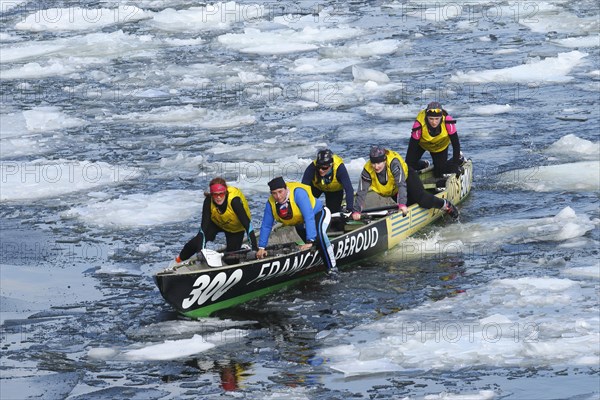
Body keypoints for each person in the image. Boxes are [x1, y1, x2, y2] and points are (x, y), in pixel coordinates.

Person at [351, 146, 459, 221]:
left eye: (379, 163)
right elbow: (361, 192)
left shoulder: (393, 164)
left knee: (422, 200)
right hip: (393, 190)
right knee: (411, 205)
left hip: (407, 178)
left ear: (384, 160)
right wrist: (356, 211)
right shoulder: (367, 170)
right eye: (373, 163)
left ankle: (446, 205)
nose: (376, 166)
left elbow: (401, 184)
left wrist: (401, 204)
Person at [256, 177, 337, 273]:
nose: (278, 196)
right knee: (312, 245)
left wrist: (310, 240)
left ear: (286, 189)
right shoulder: (270, 203)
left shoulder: (298, 193)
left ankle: (332, 268)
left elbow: (309, 217)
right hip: (300, 222)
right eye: (274, 193)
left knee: (318, 236)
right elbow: (266, 225)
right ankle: (316, 256)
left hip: (319, 213)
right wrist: (261, 247)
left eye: (280, 192)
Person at [175, 177, 258, 263]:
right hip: (217, 223)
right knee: (196, 243)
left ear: (225, 193)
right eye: (215, 195)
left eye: (221, 194)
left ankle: (244, 249)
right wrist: (200, 251)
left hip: (235, 229)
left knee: (230, 260)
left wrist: (254, 249)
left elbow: (248, 226)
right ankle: (178, 260)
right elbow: (203, 229)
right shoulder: (208, 201)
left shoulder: (234, 201)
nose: (218, 197)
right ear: (211, 194)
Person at [405, 101, 463, 178]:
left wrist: (455, 166)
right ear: (426, 117)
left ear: (441, 117)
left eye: (437, 119)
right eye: (431, 119)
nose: (434, 122)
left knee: (439, 173)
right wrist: (408, 169)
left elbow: (456, 145)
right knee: (408, 165)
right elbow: (411, 148)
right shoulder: (419, 124)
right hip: (423, 144)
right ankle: (424, 164)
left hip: (440, 146)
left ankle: (459, 159)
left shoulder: (448, 122)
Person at [301, 149, 354, 213]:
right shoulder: (312, 167)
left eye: (324, 168)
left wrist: (350, 209)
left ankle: (340, 208)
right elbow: (303, 189)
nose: (321, 170)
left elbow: (349, 189)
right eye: (319, 167)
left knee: (333, 213)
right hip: (316, 188)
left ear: (331, 165)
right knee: (306, 206)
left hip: (334, 191)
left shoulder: (339, 168)